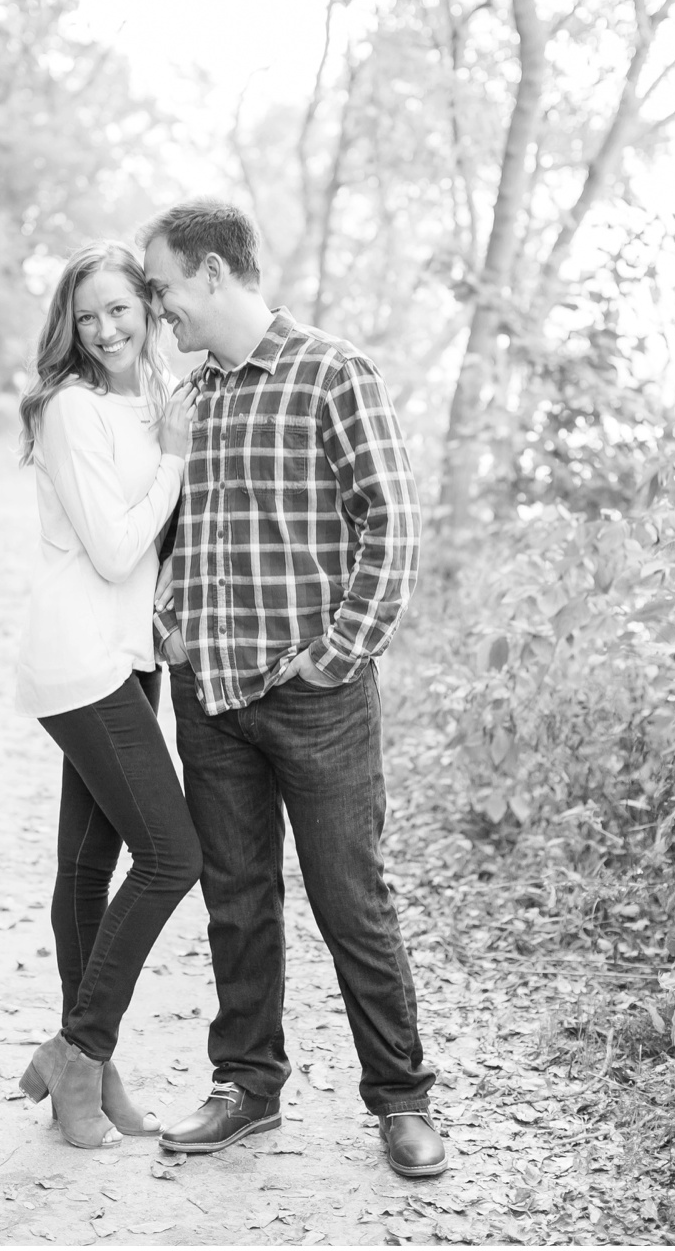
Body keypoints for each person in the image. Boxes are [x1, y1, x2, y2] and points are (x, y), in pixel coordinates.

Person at [138, 199, 445, 1177]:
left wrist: (337, 652)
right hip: (212, 694)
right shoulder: (196, 396)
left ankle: (400, 1097)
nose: (157, 308)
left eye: (164, 286)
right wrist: (172, 624)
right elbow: (180, 529)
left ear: (216, 273)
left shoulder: (332, 370)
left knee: (351, 898)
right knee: (235, 895)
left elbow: (390, 525)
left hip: (316, 696)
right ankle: (246, 1085)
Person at [13, 241, 200, 1149]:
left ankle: (88, 1069)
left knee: (87, 869)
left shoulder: (151, 402)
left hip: (129, 656)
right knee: (172, 854)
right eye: (87, 315)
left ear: (148, 309)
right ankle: (79, 1050)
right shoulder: (71, 410)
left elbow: (152, 559)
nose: (105, 329)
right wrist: (172, 458)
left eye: (120, 308)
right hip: (79, 657)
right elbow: (116, 547)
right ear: (69, 326)